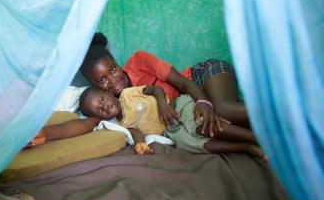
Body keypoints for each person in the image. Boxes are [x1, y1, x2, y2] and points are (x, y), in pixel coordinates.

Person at [80, 32, 251, 138]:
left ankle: (278, 114)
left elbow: (183, 82)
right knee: (216, 126)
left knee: (222, 110)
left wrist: (204, 102)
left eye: (113, 69)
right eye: (102, 80)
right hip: (188, 108)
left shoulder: (139, 60)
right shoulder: (115, 105)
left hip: (201, 77)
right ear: (93, 85)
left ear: (117, 63)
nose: (113, 80)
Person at [79, 85, 264, 159]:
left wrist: (162, 104)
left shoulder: (128, 94)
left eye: (102, 100)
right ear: (99, 117)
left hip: (178, 107)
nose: (103, 108)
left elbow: (155, 89)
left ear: (109, 94)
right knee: (188, 143)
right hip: (170, 131)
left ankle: (258, 138)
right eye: (98, 110)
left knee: (200, 127)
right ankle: (245, 147)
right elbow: (135, 133)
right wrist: (141, 144)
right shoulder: (120, 125)